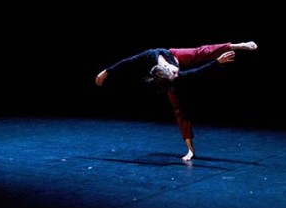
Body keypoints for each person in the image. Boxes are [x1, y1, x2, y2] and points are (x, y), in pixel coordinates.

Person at [95, 41, 258, 161]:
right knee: (178, 108)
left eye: (174, 74)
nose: (178, 74)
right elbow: (196, 73)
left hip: (173, 55)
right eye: (175, 76)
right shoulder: (175, 79)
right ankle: (190, 149)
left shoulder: (152, 55)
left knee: (199, 52)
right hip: (165, 78)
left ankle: (237, 45)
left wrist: (107, 71)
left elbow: (126, 62)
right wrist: (217, 63)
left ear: (166, 68)